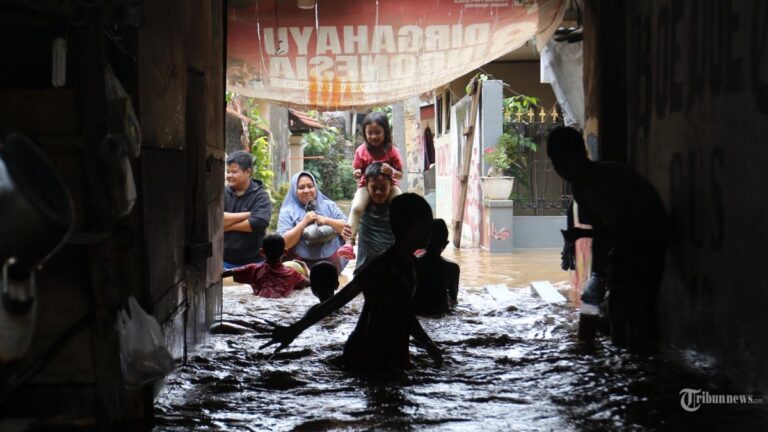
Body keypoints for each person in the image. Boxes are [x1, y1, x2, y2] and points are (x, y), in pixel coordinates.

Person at [261, 194, 443, 373]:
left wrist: (427, 343)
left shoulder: (409, 264)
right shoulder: (382, 265)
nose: (430, 232)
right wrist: (293, 330)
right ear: (414, 228)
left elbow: (404, 313)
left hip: (390, 353)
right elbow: (337, 301)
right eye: (427, 225)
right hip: (367, 353)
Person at [547, 126, 670, 353]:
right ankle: (622, 353)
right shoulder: (580, 188)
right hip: (626, 243)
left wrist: (584, 236)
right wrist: (597, 274)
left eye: (564, 161)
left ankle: (639, 355)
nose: (560, 169)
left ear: (579, 155)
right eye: (555, 164)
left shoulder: (610, 179)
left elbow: (621, 230)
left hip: (649, 240)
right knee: (615, 303)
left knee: (637, 302)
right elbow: (603, 230)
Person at [337, 112, 403, 260]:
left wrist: (392, 171)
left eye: (378, 132)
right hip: (366, 186)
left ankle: (410, 240)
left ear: (385, 132)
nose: (374, 136)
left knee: (402, 206)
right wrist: (357, 173)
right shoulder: (361, 151)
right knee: (357, 207)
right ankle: (349, 243)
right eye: (370, 133)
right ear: (365, 133)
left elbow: (400, 174)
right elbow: (357, 170)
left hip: (390, 186)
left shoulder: (393, 150)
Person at [277, 171, 349, 271]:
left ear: (315, 187)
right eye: (301, 187)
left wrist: (326, 220)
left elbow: (347, 228)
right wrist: (303, 223)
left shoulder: (329, 205)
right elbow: (284, 243)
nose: (306, 190)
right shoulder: (287, 211)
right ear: (294, 190)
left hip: (332, 262)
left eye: (310, 186)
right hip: (301, 265)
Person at [343, 163, 396, 275]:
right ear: (366, 185)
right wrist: (347, 237)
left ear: (391, 184)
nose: (378, 192)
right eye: (374, 187)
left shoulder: (397, 206)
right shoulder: (359, 206)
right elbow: (350, 229)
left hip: (393, 269)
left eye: (383, 188)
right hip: (365, 269)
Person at [223, 151, 273, 269]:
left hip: (255, 263)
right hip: (224, 262)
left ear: (248, 172)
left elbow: (259, 223)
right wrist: (249, 214)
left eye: (234, 172)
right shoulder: (222, 193)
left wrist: (227, 226)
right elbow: (216, 219)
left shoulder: (261, 196)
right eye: (228, 171)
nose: (229, 175)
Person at [221, 234, 309, 298]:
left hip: (259, 304)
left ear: (261, 252)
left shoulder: (253, 269)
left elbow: (225, 273)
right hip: (279, 307)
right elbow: (311, 284)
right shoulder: (293, 274)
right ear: (285, 252)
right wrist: (306, 268)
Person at [413, 219, 460, 316]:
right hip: (440, 312)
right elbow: (453, 300)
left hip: (417, 312)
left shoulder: (413, 263)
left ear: (423, 240)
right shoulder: (452, 268)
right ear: (446, 243)